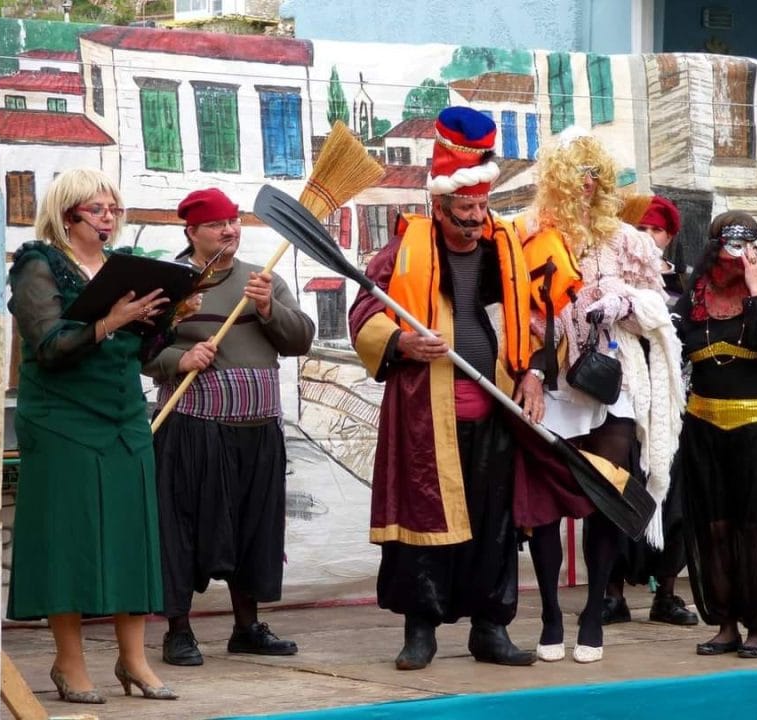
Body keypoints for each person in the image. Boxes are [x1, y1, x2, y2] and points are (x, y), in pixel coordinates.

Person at [348, 106, 543, 671]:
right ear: (439, 206)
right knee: (424, 527)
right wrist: (402, 343)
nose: (476, 220)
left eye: (482, 208)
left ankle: (491, 630)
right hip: (424, 418)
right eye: (465, 211)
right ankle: (420, 633)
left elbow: (536, 319)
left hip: (495, 414)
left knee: (494, 529)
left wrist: (533, 373)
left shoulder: (503, 251)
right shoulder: (403, 251)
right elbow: (363, 314)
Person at [7, 168, 176, 703]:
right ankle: (69, 663)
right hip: (61, 418)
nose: (108, 219)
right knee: (68, 538)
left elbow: (140, 352)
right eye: (97, 209)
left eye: (113, 209)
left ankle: (134, 660)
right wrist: (111, 320)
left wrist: (166, 317)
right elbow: (49, 347)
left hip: (123, 415)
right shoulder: (38, 264)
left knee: (132, 535)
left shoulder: (121, 268)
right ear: (67, 214)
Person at [519, 129, 684, 664]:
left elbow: (659, 311)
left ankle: (594, 612)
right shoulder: (530, 233)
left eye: (596, 175)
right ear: (559, 179)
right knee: (545, 504)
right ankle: (550, 614)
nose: (587, 185)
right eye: (577, 175)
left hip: (611, 383)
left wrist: (622, 302)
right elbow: (515, 308)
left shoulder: (626, 240)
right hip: (551, 381)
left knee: (608, 497)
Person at [142, 188, 315, 667]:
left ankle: (247, 628)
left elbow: (300, 340)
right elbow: (140, 352)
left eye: (233, 220)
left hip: (258, 432)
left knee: (254, 530)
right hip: (193, 430)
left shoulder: (262, 280)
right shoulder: (171, 285)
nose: (229, 230)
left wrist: (268, 309)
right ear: (192, 232)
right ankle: (178, 631)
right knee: (181, 532)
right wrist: (180, 359)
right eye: (217, 223)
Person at [674, 210, 757, 659]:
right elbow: (672, 344)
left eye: (746, 245)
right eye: (728, 244)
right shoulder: (695, 296)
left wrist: (756, 286)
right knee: (715, 528)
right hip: (704, 426)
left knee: (755, 528)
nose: (736, 254)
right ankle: (725, 624)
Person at [595, 194, 699, 627]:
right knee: (616, 492)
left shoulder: (684, 288)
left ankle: (667, 595)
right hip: (622, 405)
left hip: (671, 410)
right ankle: (611, 594)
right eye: (639, 228)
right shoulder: (608, 281)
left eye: (656, 230)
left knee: (674, 501)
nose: (647, 237)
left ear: (669, 237)